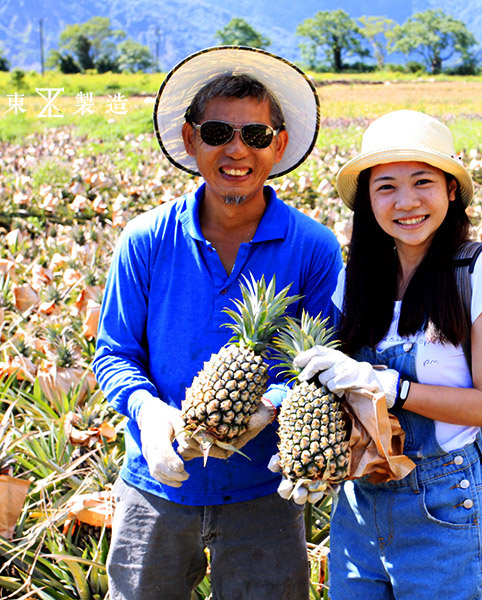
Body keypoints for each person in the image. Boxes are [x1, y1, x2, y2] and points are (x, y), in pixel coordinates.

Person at [92, 46, 342, 600]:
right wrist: (148, 411)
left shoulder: (314, 248)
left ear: (277, 144)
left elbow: (321, 362)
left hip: (264, 492)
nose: (236, 150)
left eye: (254, 136)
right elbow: (113, 352)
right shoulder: (147, 239)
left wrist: (270, 403)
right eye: (217, 132)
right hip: (154, 486)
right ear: (189, 139)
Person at [295, 110, 482, 599]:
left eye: (422, 182)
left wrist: (392, 388)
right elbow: (321, 377)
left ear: (451, 190)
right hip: (358, 501)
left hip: (445, 507)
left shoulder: (477, 270)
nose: (407, 202)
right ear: (368, 200)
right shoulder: (354, 281)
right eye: (386, 187)